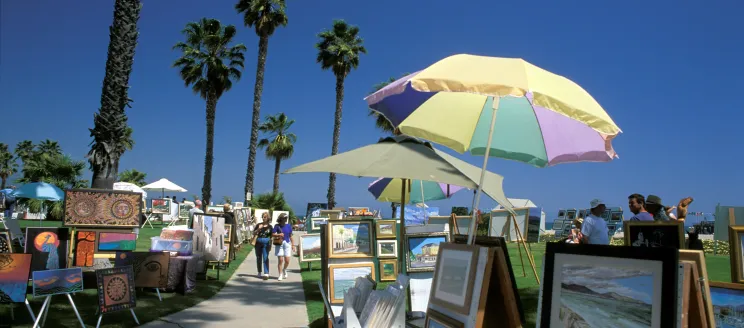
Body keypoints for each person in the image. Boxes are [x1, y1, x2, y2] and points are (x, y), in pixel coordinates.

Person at [272, 213, 294, 281]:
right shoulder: (277, 226)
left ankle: (284, 269)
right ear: (281, 218)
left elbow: (290, 236)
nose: (285, 219)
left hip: (287, 243)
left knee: (287, 261)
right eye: (284, 218)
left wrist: (293, 245)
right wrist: (279, 234)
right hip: (279, 243)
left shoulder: (288, 226)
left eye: (286, 218)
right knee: (280, 260)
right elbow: (272, 234)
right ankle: (280, 274)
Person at [254, 212, 273, 280]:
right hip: (258, 242)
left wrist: (270, 245)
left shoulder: (270, 227)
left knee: (265, 257)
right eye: (263, 217)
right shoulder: (258, 225)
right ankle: (259, 271)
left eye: (265, 217)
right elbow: (254, 233)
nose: (263, 218)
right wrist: (259, 229)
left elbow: (271, 236)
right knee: (258, 257)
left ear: (268, 218)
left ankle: (266, 273)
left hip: (266, 243)